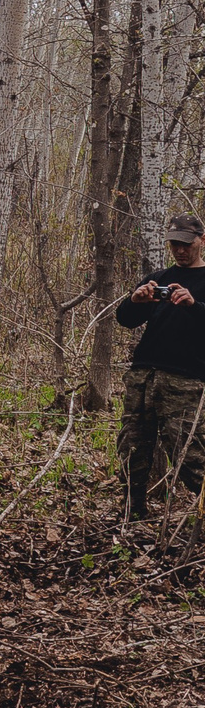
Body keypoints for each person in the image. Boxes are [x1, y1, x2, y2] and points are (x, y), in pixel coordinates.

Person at [116, 212, 205, 517]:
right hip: (143, 376)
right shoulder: (160, 277)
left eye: (186, 244)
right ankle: (132, 515)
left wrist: (194, 305)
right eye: (174, 245)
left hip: (186, 380)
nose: (180, 250)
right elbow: (125, 319)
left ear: (201, 241)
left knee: (190, 456)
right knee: (132, 450)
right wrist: (135, 301)